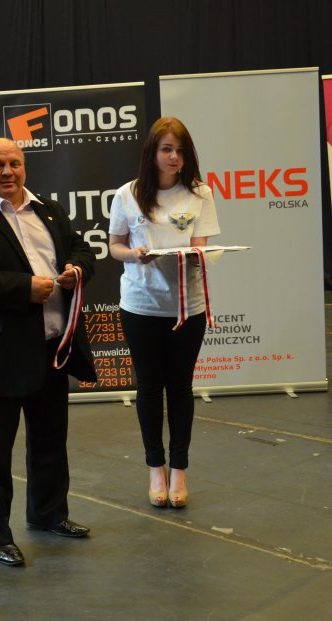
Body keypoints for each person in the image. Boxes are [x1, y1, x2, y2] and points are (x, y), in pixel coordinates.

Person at [0, 138, 97, 566]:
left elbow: (82, 248)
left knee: (50, 440)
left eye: (14, 163)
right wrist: (23, 288)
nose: (7, 171)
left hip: (51, 347)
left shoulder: (48, 210)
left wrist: (77, 269)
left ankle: (49, 514)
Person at [108, 117, 220, 509]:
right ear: (152, 152)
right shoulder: (127, 194)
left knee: (181, 387)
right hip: (140, 305)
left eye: (180, 150)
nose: (174, 157)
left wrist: (195, 256)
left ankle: (179, 469)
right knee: (149, 387)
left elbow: (200, 246)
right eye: (167, 149)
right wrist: (133, 254)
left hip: (188, 306)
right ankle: (155, 467)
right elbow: (115, 246)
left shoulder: (200, 193)